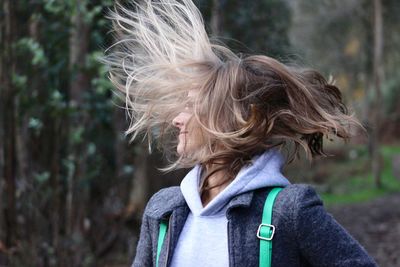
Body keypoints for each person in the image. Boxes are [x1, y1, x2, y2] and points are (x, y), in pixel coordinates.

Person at [105, 0, 378, 266]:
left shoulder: (287, 211)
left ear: (229, 119)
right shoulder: (164, 211)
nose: (177, 119)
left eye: (190, 106)